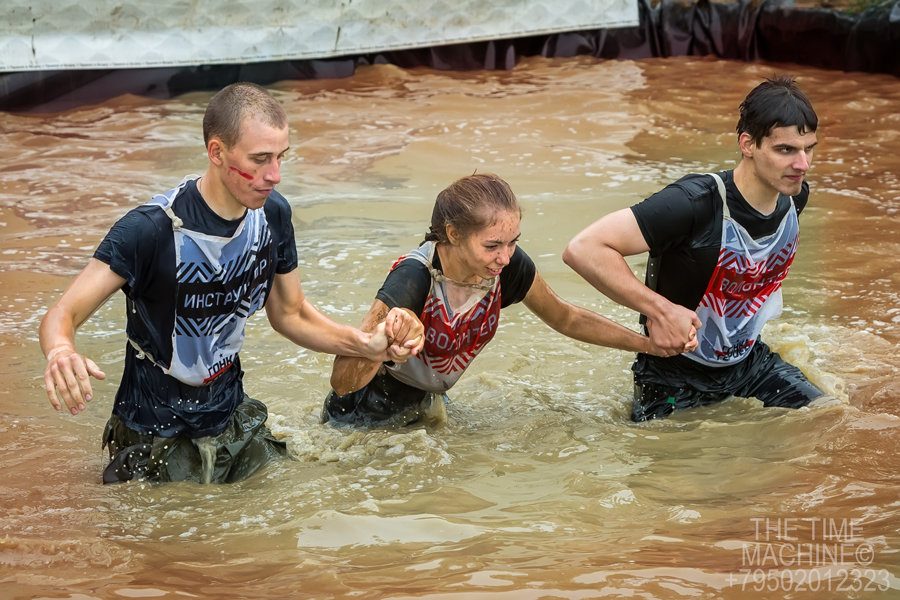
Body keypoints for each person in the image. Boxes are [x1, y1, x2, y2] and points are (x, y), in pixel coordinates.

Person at [40, 82, 424, 484]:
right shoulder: (149, 230)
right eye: (260, 160)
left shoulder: (272, 216)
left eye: (280, 158)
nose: (274, 175)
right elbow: (62, 313)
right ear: (217, 152)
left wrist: (367, 346)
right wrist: (61, 351)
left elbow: (290, 314)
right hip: (153, 434)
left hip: (231, 421)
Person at [321, 172, 686, 428]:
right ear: (453, 234)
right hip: (363, 414)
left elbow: (566, 318)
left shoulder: (507, 270)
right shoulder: (414, 277)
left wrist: (648, 346)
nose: (506, 257)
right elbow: (341, 381)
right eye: (492, 246)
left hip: (427, 404)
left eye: (513, 242)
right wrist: (382, 343)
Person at [563, 75, 829, 422]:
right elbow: (583, 248)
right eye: (786, 150)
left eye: (809, 148)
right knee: (681, 472)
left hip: (749, 365)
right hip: (672, 377)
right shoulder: (694, 203)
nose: (803, 164)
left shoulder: (793, 199)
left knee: (832, 418)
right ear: (748, 144)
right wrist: (660, 310)